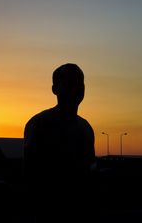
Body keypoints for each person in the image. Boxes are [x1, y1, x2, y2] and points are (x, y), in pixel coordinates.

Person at [23, 63, 96, 221]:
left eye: (80, 82)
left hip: (80, 210)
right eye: (69, 82)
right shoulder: (40, 123)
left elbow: (89, 168)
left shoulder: (86, 128)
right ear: (55, 89)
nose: (76, 87)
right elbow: (31, 171)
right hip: (49, 211)